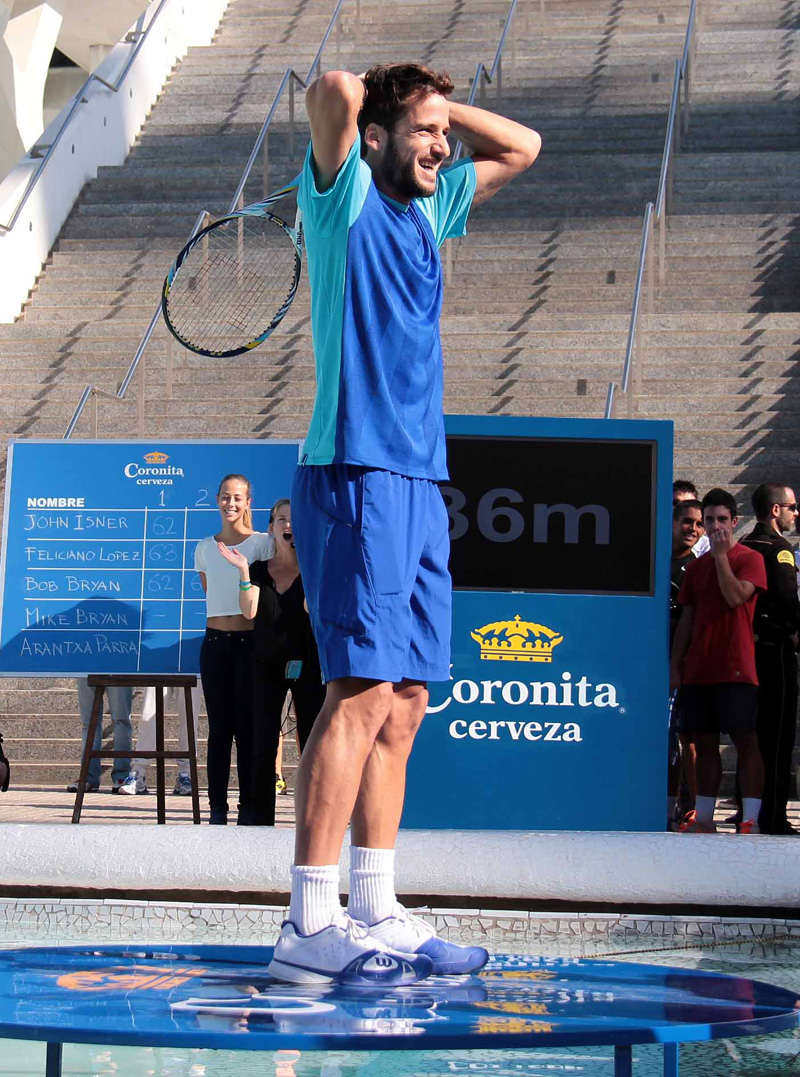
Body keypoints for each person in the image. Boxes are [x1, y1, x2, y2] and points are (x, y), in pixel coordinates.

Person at [268, 61, 541, 986]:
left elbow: (525, 147)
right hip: (354, 470)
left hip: (422, 480)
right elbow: (337, 88)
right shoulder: (341, 198)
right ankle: (309, 923)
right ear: (376, 140)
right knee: (358, 691)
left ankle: (375, 906)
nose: (443, 147)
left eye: (444, 136)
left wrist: (436, 110)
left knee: (408, 698)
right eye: (424, 133)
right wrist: (395, 108)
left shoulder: (434, 205)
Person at [219, 497, 325, 826]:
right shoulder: (258, 571)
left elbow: (311, 612)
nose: (288, 525)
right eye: (282, 519)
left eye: (295, 520)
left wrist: (309, 565)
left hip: (308, 665)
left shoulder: (314, 569)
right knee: (261, 741)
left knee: (313, 740)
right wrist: (242, 571)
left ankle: (315, 818)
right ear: (271, 528)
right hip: (265, 664)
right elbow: (249, 611)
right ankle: (257, 817)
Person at [670, 488, 767, 834]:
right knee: (704, 743)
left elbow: (735, 597)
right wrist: (675, 665)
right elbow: (687, 619)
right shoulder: (695, 569)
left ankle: (751, 818)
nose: (714, 527)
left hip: (736, 666)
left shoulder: (750, 559)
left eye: (721, 520)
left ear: (735, 521)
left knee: (745, 741)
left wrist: (722, 557)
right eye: (709, 520)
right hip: (699, 668)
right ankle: (704, 816)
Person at [194, 474, 273, 825]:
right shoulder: (203, 547)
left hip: (249, 645)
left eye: (238, 498)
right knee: (219, 730)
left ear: (248, 502)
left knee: (247, 729)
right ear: (217, 500)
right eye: (225, 497)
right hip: (215, 644)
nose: (231, 503)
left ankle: (248, 807)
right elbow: (210, 592)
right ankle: (217, 808)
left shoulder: (263, 545)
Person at [738, 483, 800, 835]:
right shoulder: (780, 550)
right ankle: (773, 814)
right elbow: (789, 601)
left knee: (749, 736)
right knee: (777, 735)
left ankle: (745, 808)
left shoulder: (744, 545)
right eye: (792, 507)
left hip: (746, 653)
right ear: (775, 510)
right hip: (775, 651)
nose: (795, 513)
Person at [667, 498, 704, 827]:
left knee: (683, 738)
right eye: (687, 522)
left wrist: (676, 665)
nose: (693, 529)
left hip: (680, 668)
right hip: (643, 663)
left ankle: (685, 804)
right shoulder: (652, 563)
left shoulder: (697, 569)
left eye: (699, 524)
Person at [119, 683, 204, 796]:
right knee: (148, 716)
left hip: (191, 672)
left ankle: (185, 774)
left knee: (189, 720)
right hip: (158, 671)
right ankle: (138, 773)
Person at [66, 679, 132, 793]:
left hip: (119, 670)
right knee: (89, 722)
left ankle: (122, 775)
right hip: (86, 670)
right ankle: (88, 777)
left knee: (121, 720)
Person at [673, 480, 710, 555]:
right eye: (675, 503)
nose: (681, 509)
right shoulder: (652, 538)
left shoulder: (707, 547)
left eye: (689, 504)